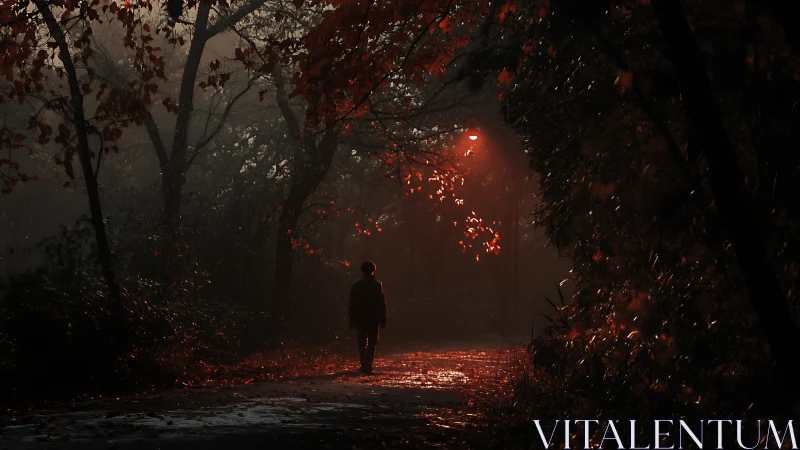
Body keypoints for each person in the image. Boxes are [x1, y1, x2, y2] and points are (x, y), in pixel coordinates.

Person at [348, 260, 387, 374]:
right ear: (373, 270)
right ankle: (369, 365)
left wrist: (352, 319)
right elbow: (382, 303)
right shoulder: (377, 285)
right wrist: (383, 318)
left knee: (361, 341)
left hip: (360, 317)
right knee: (372, 342)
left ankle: (363, 364)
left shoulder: (356, 284)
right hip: (373, 317)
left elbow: (352, 304)